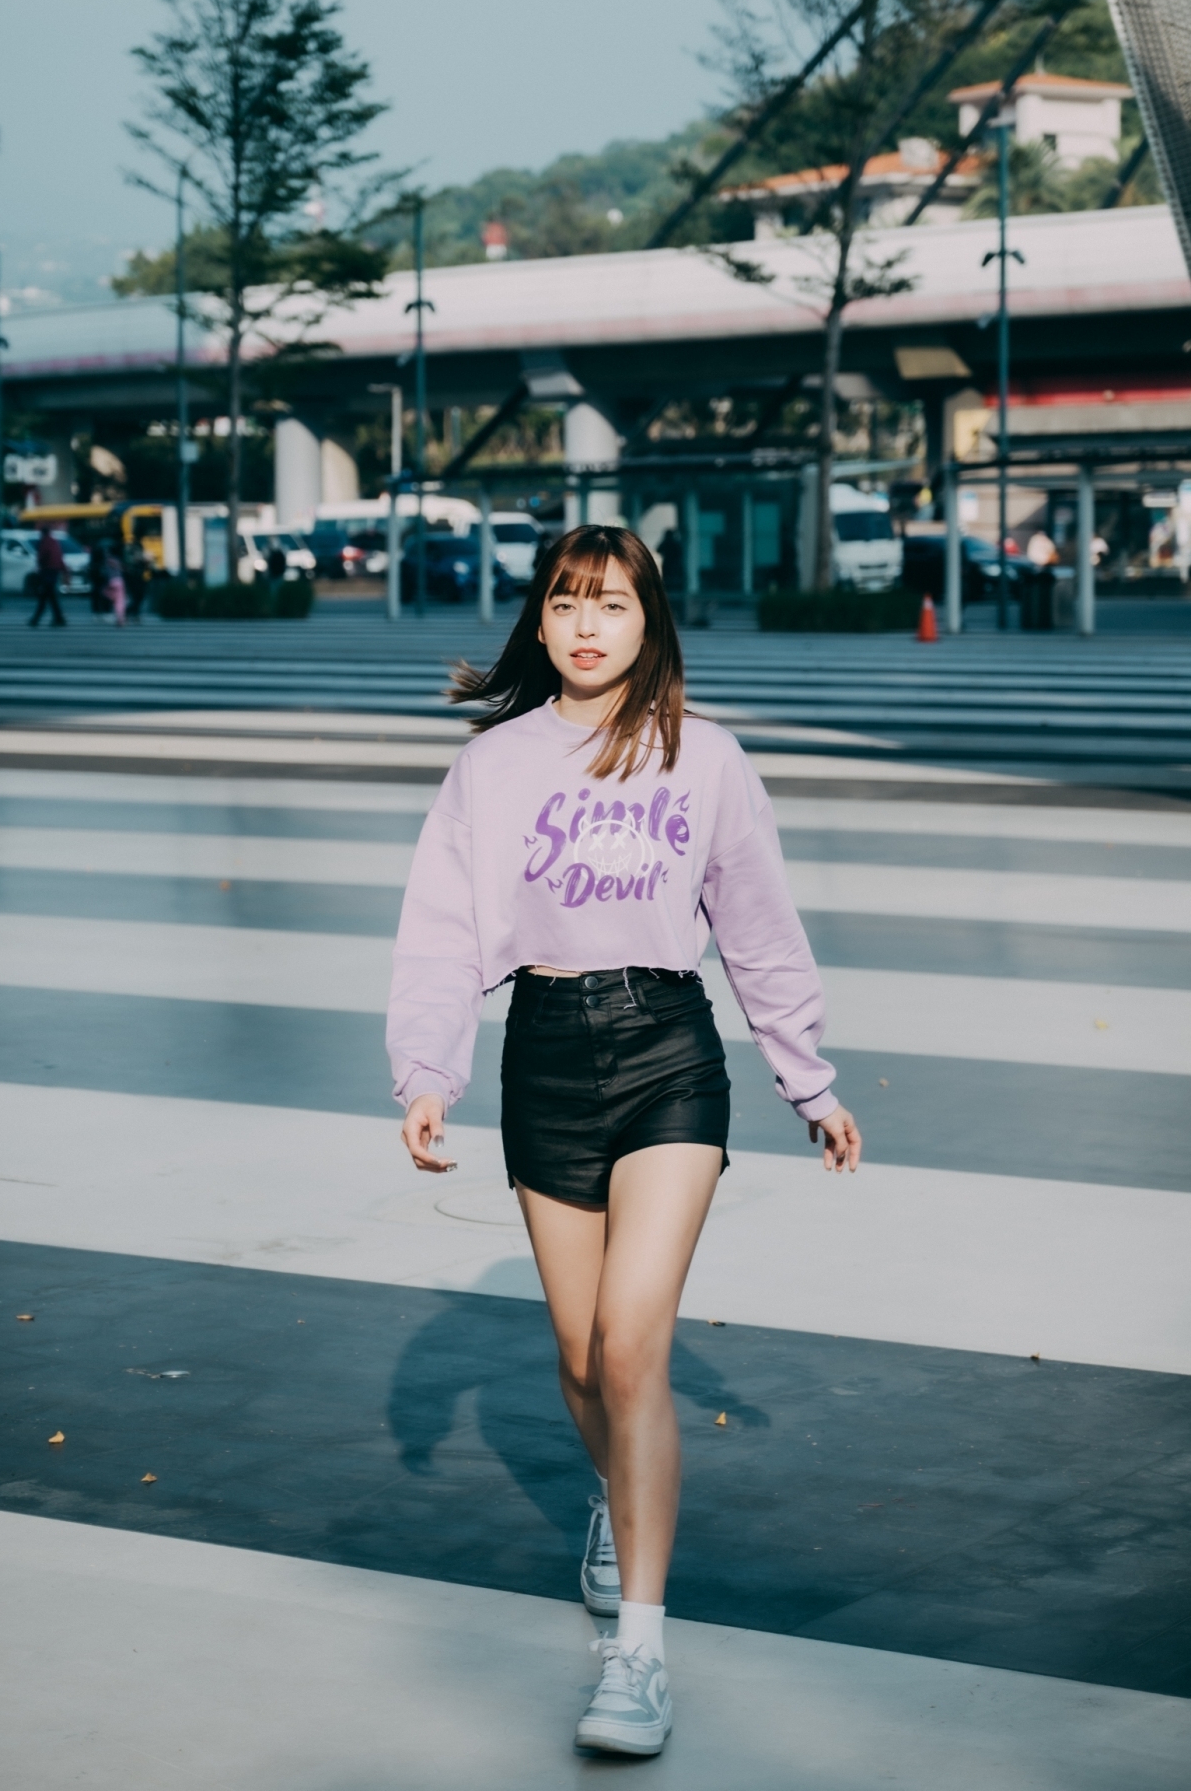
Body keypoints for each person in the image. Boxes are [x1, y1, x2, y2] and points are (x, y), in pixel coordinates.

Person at [387, 526, 860, 1760]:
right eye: (565, 602)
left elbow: (759, 927)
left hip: (667, 1051)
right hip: (544, 1051)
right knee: (581, 1356)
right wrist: (428, 1068)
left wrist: (807, 1077)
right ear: (538, 621)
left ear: (651, 620)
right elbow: (441, 930)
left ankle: (638, 1655)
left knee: (634, 1343)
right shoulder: (492, 766)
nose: (586, 625)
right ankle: (617, 1490)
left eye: (610, 604)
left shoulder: (705, 756)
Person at [28, 527, 68, 628]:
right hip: (54, 571)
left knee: (46, 596)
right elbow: (59, 557)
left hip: (47, 571)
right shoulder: (54, 542)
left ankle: (37, 619)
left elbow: (42, 556)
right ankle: (57, 618)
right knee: (50, 596)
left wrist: (40, 566)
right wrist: (64, 570)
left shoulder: (45, 542)